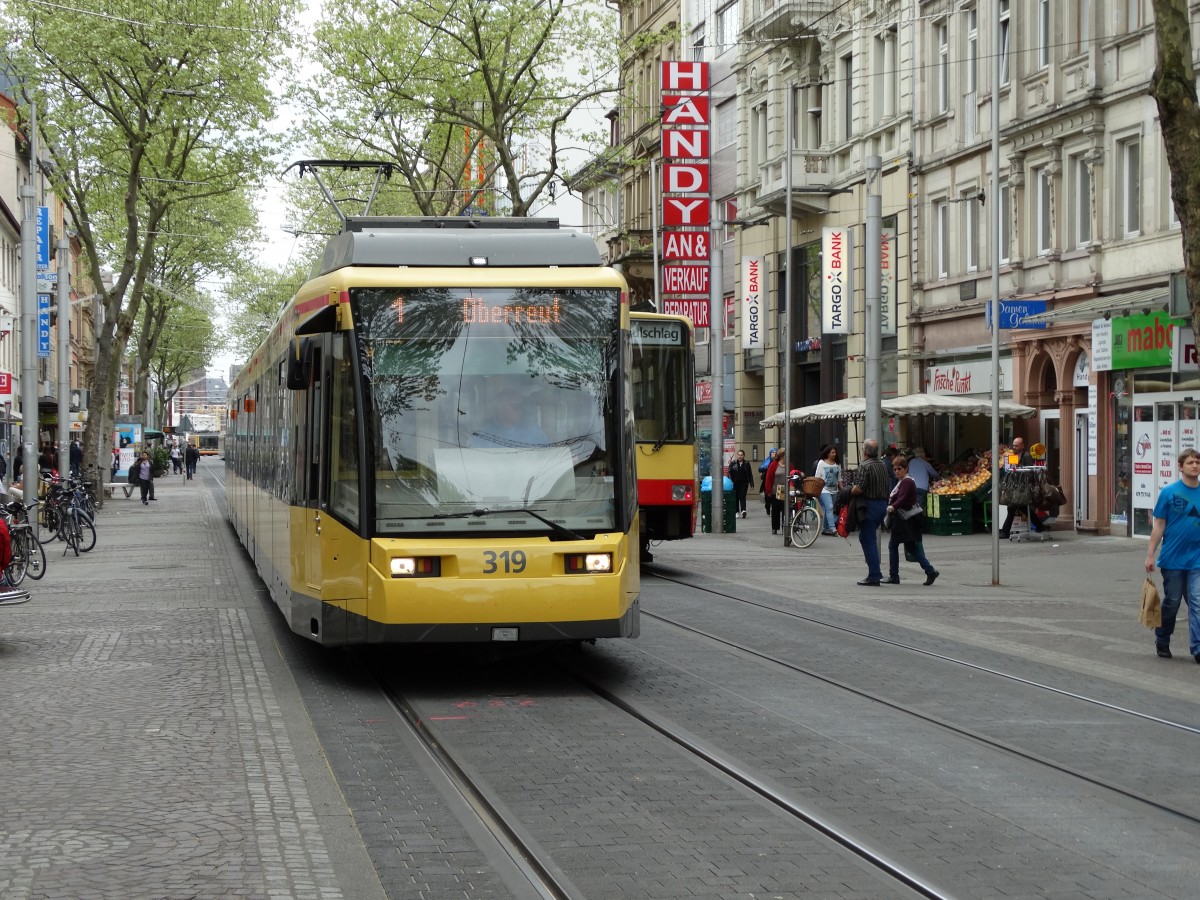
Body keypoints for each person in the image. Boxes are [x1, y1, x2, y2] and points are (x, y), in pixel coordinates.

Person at [1144, 447, 1200, 661]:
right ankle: (1162, 638)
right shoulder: (1169, 493)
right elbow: (1159, 525)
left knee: (1197, 603)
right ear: (1180, 467)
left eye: (1198, 462)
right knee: (1172, 602)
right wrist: (1150, 554)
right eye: (1190, 462)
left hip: (1197, 559)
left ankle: (1198, 648)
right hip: (1173, 559)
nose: (1195, 466)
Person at [884, 456, 939, 585]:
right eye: (895, 469)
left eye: (899, 468)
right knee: (910, 547)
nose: (897, 471)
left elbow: (902, 499)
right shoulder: (902, 481)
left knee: (894, 546)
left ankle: (894, 576)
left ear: (906, 468)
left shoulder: (907, 481)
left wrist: (892, 507)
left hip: (905, 519)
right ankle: (930, 570)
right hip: (904, 519)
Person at [850, 438, 890, 586]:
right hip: (882, 505)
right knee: (866, 537)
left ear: (865, 451)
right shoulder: (882, 465)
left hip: (870, 505)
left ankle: (874, 575)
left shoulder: (864, 466)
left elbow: (859, 488)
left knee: (868, 539)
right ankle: (875, 572)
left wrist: (849, 490)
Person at [471, 393, 550, 448]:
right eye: (515, 406)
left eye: (521, 406)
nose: (520, 409)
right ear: (501, 409)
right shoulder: (484, 433)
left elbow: (548, 454)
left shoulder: (534, 432)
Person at [998, 437, 1036, 539]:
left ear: (1022, 446)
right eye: (1013, 445)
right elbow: (1010, 468)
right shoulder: (1014, 455)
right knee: (1021, 507)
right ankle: (1040, 525)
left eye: (1016, 445)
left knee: (1012, 507)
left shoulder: (1027, 456)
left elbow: (1030, 472)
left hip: (1022, 487)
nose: (1014, 447)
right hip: (1015, 485)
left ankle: (1005, 531)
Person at [813, 445, 841, 535]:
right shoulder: (821, 463)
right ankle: (833, 528)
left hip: (834, 490)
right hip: (824, 489)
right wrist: (816, 490)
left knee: (829, 509)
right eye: (832, 452)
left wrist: (842, 489)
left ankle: (825, 528)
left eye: (835, 452)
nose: (834, 454)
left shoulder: (837, 464)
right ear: (828, 453)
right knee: (829, 507)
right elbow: (817, 477)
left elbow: (839, 478)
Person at [727, 449, 754, 518]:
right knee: (736, 498)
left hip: (744, 483)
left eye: (741, 455)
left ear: (744, 456)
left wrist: (752, 484)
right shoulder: (733, 463)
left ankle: (743, 510)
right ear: (737, 455)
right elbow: (729, 472)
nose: (740, 456)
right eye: (739, 455)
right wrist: (731, 481)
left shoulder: (747, 463)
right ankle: (736, 512)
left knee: (742, 496)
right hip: (735, 483)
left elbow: (750, 474)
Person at [759, 448, 776, 516]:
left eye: (775, 452)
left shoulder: (779, 461)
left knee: (774, 496)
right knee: (767, 496)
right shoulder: (767, 460)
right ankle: (767, 506)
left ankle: (773, 508)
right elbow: (760, 468)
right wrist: (766, 468)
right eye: (773, 452)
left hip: (776, 480)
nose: (774, 454)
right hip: (767, 480)